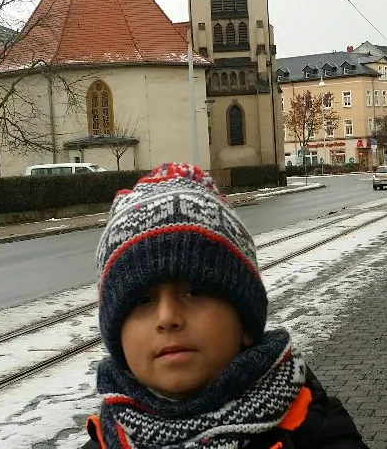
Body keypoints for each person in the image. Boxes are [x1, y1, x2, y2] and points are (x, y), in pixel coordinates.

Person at [82, 163, 368, 449]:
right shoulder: (104, 441)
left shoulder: (316, 431)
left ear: (244, 323)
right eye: (142, 300)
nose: (167, 317)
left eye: (194, 292)